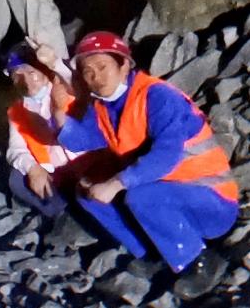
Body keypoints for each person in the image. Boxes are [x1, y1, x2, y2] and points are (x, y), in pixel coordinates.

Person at [52, 31, 239, 287]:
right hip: (166, 193)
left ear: (124, 65)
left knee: (139, 196)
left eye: (102, 66)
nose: (96, 77)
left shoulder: (158, 96)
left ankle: (198, 262)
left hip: (211, 200)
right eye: (88, 71)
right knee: (88, 191)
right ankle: (152, 253)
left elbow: (165, 157)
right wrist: (59, 112)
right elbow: (80, 140)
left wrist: (116, 183)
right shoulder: (104, 106)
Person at [4, 41, 81, 217]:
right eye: (18, 76)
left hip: (85, 164)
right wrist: (33, 168)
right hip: (55, 174)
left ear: (43, 71)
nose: (26, 81)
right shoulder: (16, 111)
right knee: (17, 179)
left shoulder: (65, 88)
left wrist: (54, 62)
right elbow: (15, 149)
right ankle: (61, 214)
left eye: (31, 72)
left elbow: (80, 86)